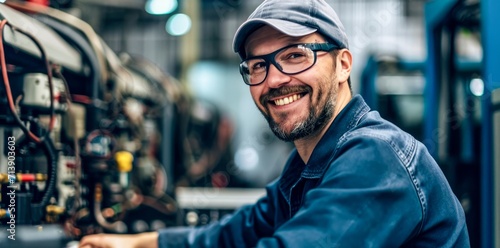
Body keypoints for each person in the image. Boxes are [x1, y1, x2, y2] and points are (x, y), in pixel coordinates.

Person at [79, 0, 470, 247]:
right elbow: (235, 233)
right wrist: (134, 244)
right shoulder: (306, 165)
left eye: (297, 55)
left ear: (343, 65)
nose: (275, 79)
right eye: (258, 66)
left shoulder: (376, 156)